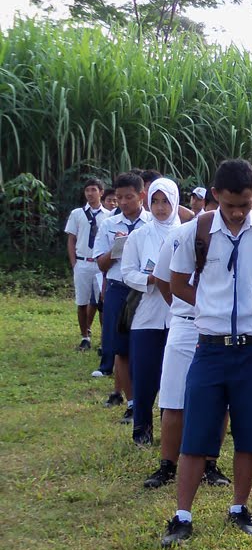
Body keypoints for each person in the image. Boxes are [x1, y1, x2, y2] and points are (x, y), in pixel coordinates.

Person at [160, 158, 252, 546]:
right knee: (196, 433)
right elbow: (176, 282)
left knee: (250, 433)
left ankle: (239, 507)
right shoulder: (197, 231)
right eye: (230, 204)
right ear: (216, 195)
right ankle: (182, 515)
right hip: (211, 348)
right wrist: (208, 306)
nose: (238, 212)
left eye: (245, 203)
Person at [145, 187, 232, 490]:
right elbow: (164, 281)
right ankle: (167, 465)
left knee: (220, 401)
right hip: (184, 325)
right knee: (173, 399)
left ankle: (211, 464)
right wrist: (186, 311)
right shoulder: (181, 235)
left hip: (220, 327)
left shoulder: (236, 237)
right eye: (210, 205)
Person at [119, 178, 181, 446]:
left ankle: (173, 429)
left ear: (175, 202)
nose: (159, 208)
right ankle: (141, 429)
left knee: (175, 375)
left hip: (179, 313)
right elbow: (127, 272)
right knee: (144, 373)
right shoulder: (139, 235)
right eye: (154, 201)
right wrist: (150, 279)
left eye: (165, 201)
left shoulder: (186, 232)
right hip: (147, 313)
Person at [93, 172, 151, 416]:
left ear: (141, 195)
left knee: (144, 346)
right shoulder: (109, 225)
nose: (123, 202)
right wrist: (116, 250)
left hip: (146, 289)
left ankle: (147, 399)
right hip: (118, 288)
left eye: (129, 197)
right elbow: (101, 264)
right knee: (121, 348)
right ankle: (131, 403)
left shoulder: (153, 223)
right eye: (119, 198)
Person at [65, 178, 111, 352]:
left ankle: (105, 339)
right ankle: (85, 336)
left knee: (103, 303)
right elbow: (71, 239)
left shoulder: (109, 216)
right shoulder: (77, 214)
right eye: (87, 190)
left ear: (101, 192)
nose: (90, 194)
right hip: (83, 262)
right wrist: (74, 263)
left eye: (93, 190)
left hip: (100, 263)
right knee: (82, 301)